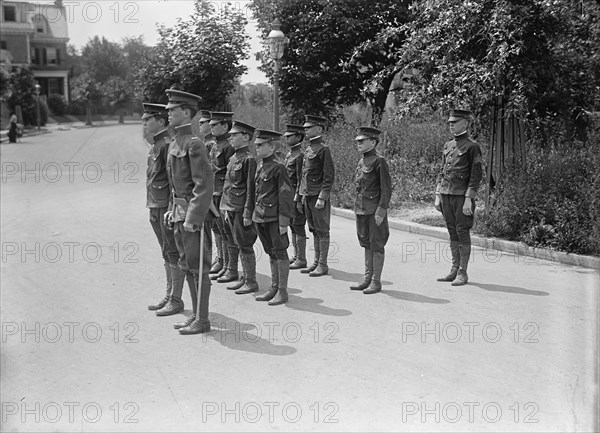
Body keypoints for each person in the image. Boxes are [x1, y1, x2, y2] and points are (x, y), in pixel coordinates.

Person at [164, 89, 215, 335]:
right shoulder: (175, 142)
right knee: (186, 265)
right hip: (178, 213)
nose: (168, 113)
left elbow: (204, 184)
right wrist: (171, 210)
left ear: (186, 112)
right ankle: (195, 315)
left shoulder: (195, 144)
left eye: (173, 110)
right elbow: (175, 184)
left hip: (191, 217)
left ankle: (202, 320)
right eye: (168, 110)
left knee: (198, 267)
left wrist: (193, 218)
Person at [141, 103, 184, 315]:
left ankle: (176, 299)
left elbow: (172, 180)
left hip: (164, 208)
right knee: (166, 252)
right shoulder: (156, 145)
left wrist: (170, 208)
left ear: (160, 121)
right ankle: (169, 295)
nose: (144, 123)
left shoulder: (166, 145)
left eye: (147, 119)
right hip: (154, 205)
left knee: (172, 252)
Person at [434, 108, 483, 286]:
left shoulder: (472, 147)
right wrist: (438, 193)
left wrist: (469, 198)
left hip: (462, 197)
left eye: (454, 122)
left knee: (462, 232)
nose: (450, 125)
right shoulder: (448, 145)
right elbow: (442, 171)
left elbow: (476, 175)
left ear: (465, 123)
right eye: (449, 123)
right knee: (452, 231)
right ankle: (454, 269)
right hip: (446, 195)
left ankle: (463, 272)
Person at [252, 130, 294, 305]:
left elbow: (285, 194)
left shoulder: (279, 167)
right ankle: (274, 287)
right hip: (261, 216)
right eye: (256, 144)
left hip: (274, 218)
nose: (256, 147)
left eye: (260, 145)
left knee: (280, 251)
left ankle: (282, 291)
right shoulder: (261, 165)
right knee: (271, 251)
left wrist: (284, 221)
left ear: (272, 147)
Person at [349, 127, 392, 294]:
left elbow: (386, 188)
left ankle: (376, 281)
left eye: (362, 141)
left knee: (377, 245)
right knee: (366, 244)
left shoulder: (379, 161)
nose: (358, 143)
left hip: (374, 211)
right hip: (361, 210)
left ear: (373, 142)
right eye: (358, 141)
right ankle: (367, 278)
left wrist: (381, 211)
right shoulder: (362, 162)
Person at [220, 120, 259, 295]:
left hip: (240, 208)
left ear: (245, 137)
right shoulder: (234, 157)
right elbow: (228, 184)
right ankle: (243, 278)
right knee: (234, 240)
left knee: (245, 243)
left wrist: (248, 212)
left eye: (234, 135)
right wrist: (223, 206)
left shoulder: (249, 160)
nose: (231, 137)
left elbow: (251, 188)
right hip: (229, 206)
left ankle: (251, 281)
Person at [299, 115, 335, 277]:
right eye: (305, 127)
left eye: (309, 127)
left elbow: (328, 176)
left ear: (319, 129)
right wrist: (301, 195)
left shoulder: (323, 149)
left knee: (322, 230)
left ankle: (323, 264)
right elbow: (304, 175)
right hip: (308, 195)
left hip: (317, 196)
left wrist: (322, 197)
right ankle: (315, 262)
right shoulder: (308, 149)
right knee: (313, 229)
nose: (305, 129)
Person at [208, 112, 238, 283]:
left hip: (223, 194)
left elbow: (230, 175)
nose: (211, 127)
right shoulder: (214, 145)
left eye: (215, 124)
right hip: (213, 192)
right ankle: (223, 262)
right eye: (210, 124)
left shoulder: (228, 147)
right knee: (218, 230)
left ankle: (231, 268)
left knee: (228, 232)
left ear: (225, 126)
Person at [283, 124, 308, 269]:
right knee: (292, 225)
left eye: (289, 136)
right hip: (288, 195)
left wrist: (298, 199)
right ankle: (296, 255)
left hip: (295, 195)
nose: (286, 138)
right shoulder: (289, 155)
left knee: (298, 225)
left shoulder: (300, 156)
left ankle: (302, 258)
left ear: (298, 137)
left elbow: (300, 179)